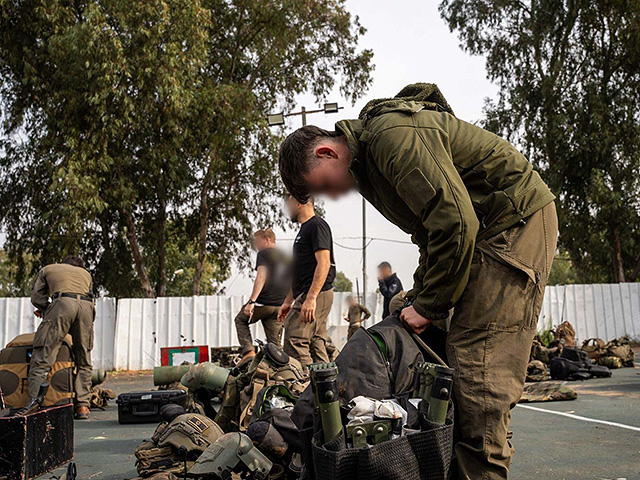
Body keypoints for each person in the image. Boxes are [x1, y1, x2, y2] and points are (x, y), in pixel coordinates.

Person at [278, 83, 558, 479]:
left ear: (326, 152)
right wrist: (419, 299)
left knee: (479, 375)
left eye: (324, 186)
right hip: (482, 233)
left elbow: (457, 222)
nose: (332, 196)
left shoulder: (390, 139)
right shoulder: (370, 166)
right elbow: (429, 234)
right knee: (415, 326)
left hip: (513, 222)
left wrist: (429, 305)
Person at [29, 256, 95, 420]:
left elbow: (37, 297)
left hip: (62, 303)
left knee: (43, 356)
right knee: (84, 358)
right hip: (87, 307)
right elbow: (89, 295)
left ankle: (34, 406)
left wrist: (46, 310)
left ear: (62, 264)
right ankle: (83, 406)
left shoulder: (49, 268)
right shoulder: (86, 274)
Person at [277, 196, 336, 366]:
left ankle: (303, 387)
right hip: (308, 292)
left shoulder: (317, 225)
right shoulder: (304, 230)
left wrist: (311, 299)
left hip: (316, 293)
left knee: (295, 340)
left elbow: (324, 263)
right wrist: (288, 301)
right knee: (316, 341)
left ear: (298, 202)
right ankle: (324, 387)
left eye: (289, 203)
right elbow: (299, 271)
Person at [234, 228, 289, 366]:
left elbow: (261, 277)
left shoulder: (264, 253)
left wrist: (251, 301)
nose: (256, 246)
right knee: (275, 346)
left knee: (241, 319)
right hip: (279, 306)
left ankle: (248, 352)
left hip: (263, 303)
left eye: (258, 242)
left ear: (268, 240)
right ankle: (278, 371)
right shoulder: (285, 256)